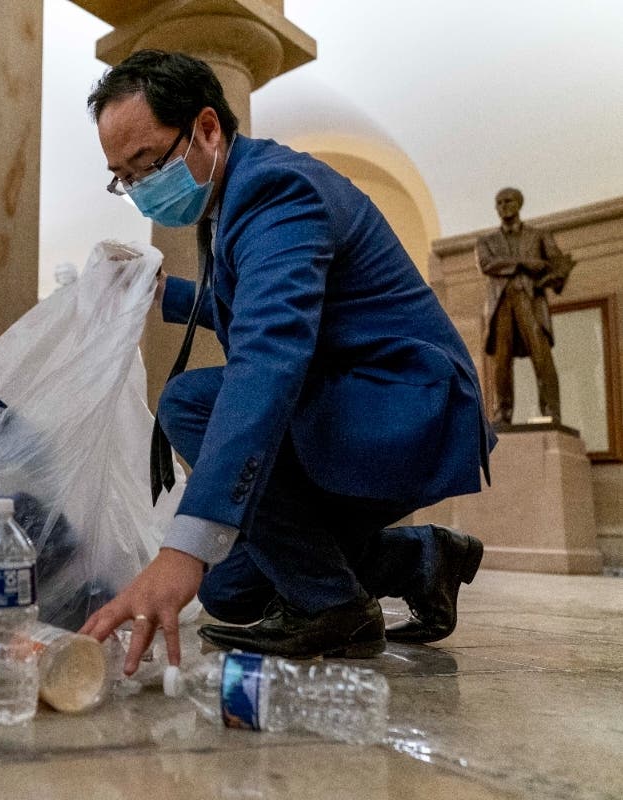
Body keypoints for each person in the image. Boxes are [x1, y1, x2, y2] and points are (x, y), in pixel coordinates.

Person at [77, 50, 496, 674]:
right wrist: (167, 295)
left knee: (190, 402)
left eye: (148, 164)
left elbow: (270, 356)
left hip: (406, 406)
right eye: (123, 177)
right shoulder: (229, 197)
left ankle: (337, 607)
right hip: (358, 401)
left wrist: (182, 547)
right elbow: (271, 312)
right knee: (230, 590)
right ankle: (420, 561)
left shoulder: (275, 190)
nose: (140, 190)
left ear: (208, 128)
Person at [477, 187, 573, 424]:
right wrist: (525, 263)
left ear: (519, 203)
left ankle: (552, 412)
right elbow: (488, 264)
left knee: (542, 356)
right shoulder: (486, 241)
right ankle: (502, 413)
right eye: (498, 203)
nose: (503, 206)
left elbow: (556, 262)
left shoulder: (539, 235)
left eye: (508, 201)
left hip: (530, 300)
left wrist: (556, 273)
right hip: (502, 304)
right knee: (502, 361)